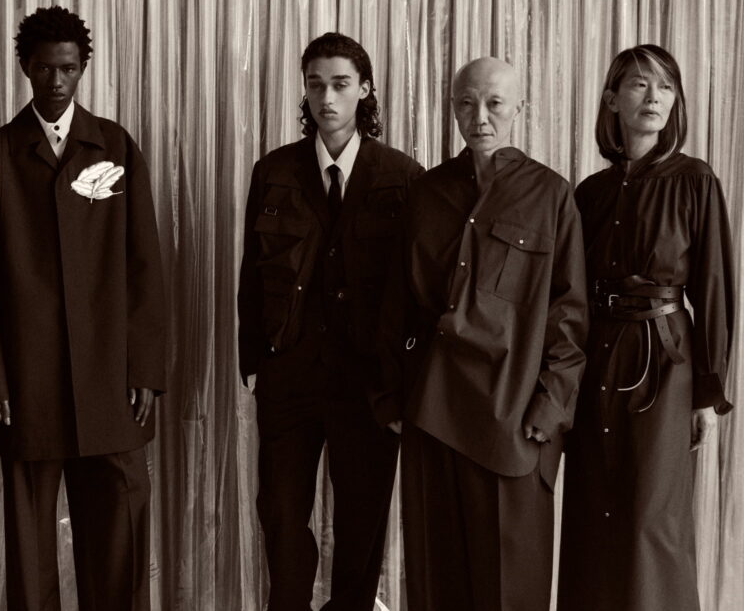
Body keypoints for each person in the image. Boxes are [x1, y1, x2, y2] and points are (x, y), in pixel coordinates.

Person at [0, 6, 167, 611]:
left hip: (111, 378)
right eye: (45, 68)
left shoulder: (115, 146)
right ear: (26, 67)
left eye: (69, 69)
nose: (56, 81)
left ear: (83, 68)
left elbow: (145, 265)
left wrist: (145, 369)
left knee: (120, 532)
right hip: (28, 383)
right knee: (29, 543)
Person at [377, 57, 588, 610]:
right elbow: (397, 305)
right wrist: (390, 397)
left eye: (494, 103)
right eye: (467, 103)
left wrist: (549, 407)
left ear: (519, 107)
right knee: (436, 585)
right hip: (432, 413)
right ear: (453, 108)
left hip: (512, 420)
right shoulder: (426, 192)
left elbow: (569, 313)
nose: (480, 117)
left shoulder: (550, 195)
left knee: (509, 591)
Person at [237, 32, 424, 610]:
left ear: (364, 89)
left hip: (368, 382)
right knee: (280, 512)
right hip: (289, 375)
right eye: (315, 85)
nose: (326, 97)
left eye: (340, 84)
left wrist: (402, 382)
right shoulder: (274, 171)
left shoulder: (403, 176)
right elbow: (251, 275)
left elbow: (415, 291)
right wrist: (253, 361)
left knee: (362, 519)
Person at [557, 44, 735, 611]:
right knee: (593, 509)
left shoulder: (694, 180)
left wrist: (707, 394)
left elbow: (714, 288)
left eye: (665, 87)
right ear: (612, 99)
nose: (654, 97)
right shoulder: (589, 193)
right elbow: (568, 295)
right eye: (639, 84)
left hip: (664, 361)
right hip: (596, 359)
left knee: (649, 519)